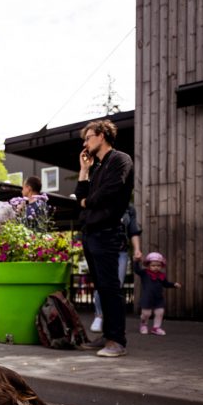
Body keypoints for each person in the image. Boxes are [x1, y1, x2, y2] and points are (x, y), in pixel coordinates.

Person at [75, 119, 134, 358]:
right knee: (101, 288)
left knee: (110, 288)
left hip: (108, 233)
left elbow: (109, 191)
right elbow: (79, 195)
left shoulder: (120, 160)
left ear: (101, 135)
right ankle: (107, 335)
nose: (85, 143)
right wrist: (84, 170)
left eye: (88, 138)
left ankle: (117, 341)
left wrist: (88, 202)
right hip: (91, 234)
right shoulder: (97, 167)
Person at [90, 204, 143, 333]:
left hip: (121, 252)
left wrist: (137, 249)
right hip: (102, 250)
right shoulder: (101, 203)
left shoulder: (129, 209)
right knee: (101, 283)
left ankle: (111, 319)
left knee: (116, 285)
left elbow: (133, 231)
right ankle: (99, 316)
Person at [134, 252, 181, 336]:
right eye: (153, 265)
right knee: (146, 314)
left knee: (160, 313)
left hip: (158, 298)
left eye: (158, 265)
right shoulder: (144, 273)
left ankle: (156, 328)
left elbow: (165, 284)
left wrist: (173, 284)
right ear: (148, 265)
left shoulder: (161, 275)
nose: (156, 267)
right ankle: (143, 325)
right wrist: (136, 261)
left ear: (161, 266)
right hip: (147, 298)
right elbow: (137, 270)